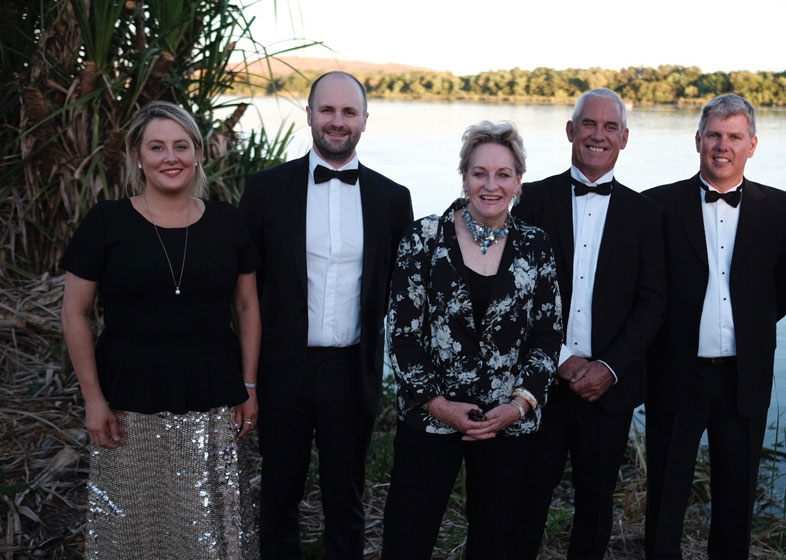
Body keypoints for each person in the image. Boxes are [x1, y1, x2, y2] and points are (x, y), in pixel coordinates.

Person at [60, 100, 261, 558]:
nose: (170, 157)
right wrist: (93, 399)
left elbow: (247, 307)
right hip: (127, 402)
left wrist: (248, 383)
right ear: (137, 155)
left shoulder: (228, 222)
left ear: (197, 153)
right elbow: (75, 313)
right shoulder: (106, 222)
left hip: (211, 398)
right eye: (157, 147)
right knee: (133, 523)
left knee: (206, 527)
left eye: (181, 146)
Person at [238, 71, 413, 559]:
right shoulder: (264, 189)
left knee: (347, 497)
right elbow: (244, 291)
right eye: (328, 111)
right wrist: (246, 380)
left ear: (364, 121)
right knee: (278, 494)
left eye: (349, 112)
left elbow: (405, 292)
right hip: (281, 368)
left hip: (351, 369)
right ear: (310, 114)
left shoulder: (392, 198)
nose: (338, 122)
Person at [380, 120, 562, 560]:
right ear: (464, 176)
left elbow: (548, 336)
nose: (491, 185)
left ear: (519, 181)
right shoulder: (422, 238)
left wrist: (518, 406)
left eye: (503, 174)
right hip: (430, 416)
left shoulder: (536, 245)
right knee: (407, 537)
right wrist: (438, 405)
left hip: (507, 420)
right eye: (480, 173)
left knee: (498, 541)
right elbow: (402, 334)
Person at [643, 94, 786, 559]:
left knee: (737, 495)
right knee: (666, 493)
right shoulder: (658, 205)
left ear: (752, 145)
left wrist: (745, 326)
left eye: (734, 137)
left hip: (744, 374)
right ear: (697, 140)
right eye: (714, 135)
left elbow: (785, 290)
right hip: (676, 371)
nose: (722, 146)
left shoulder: (783, 210)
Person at [510, 88, 666, 559]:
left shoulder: (645, 213)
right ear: (570, 131)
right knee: (527, 500)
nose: (598, 135)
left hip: (608, 388)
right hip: (539, 383)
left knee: (596, 504)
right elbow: (519, 291)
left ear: (624, 139)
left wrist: (609, 368)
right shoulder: (531, 200)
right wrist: (559, 360)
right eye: (589, 124)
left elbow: (653, 301)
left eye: (610, 127)